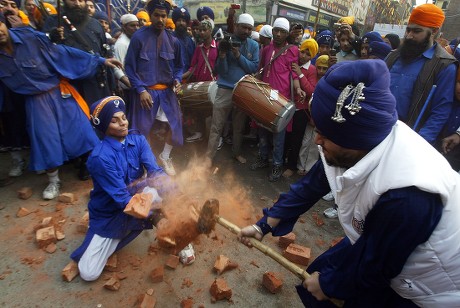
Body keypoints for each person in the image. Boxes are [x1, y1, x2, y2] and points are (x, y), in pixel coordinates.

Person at [239, 59, 460, 307]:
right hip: (385, 240)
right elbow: (309, 187)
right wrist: (263, 226)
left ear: (355, 139)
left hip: (428, 280)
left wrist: (331, 285)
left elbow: (377, 264)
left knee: (337, 291)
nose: (316, 141)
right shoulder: (353, 143)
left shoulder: (409, 195)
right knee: (322, 274)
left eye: (324, 135)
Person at [0, 13, 122, 199]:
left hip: (60, 92)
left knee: (84, 133)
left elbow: (63, 53)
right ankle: (53, 181)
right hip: (35, 100)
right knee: (45, 140)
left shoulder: (30, 37)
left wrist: (101, 60)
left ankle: (105, 173)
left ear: (4, 23)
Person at [69, 96, 170, 281]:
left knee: (160, 189)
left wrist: (176, 192)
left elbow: (155, 171)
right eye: (114, 121)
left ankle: (168, 229)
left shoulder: (138, 140)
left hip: (137, 199)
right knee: (88, 273)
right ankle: (134, 226)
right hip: (110, 211)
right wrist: (155, 217)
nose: (122, 123)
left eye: (123, 117)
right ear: (104, 126)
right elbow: (122, 199)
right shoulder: (100, 158)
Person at [124, 0, 183, 176]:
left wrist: (178, 79)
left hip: (166, 92)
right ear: (150, 15)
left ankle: (165, 156)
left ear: (167, 17)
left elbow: (180, 66)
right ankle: (143, 165)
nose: (160, 19)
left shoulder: (173, 40)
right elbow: (129, 68)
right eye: (156, 15)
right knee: (140, 131)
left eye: (163, 16)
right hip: (145, 92)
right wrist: (141, 90)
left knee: (176, 124)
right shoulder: (138, 38)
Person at [386, 3, 457, 146]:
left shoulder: (444, 65)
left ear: (434, 31)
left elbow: (440, 111)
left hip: (409, 138)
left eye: (417, 31)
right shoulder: (393, 56)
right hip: (379, 129)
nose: (409, 36)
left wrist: (418, 143)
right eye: (408, 30)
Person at [250, 17, 304, 182]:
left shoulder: (293, 50)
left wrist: (298, 88)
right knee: (263, 131)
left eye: (282, 32)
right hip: (265, 96)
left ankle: (277, 165)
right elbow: (260, 70)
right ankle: (262, 158)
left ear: (287, 34)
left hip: (281, 99)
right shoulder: (266, 49)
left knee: (278, 136)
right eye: (276, 31)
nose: (278, 34)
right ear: (272, 31)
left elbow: (294, 73)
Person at [205, 13, 259, 165]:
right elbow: (221, 71)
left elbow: (253, 68)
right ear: (236, 26)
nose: (247, 31)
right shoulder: (226, 41)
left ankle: (236, 153)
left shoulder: (254, 45)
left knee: (239, 127)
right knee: (217, 126)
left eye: (249, 29)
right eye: (243, 27)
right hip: (224, 88)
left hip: (243, 90)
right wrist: (222, 55)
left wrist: (237, 54)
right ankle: (209, 157)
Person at [283, 38, 318, 178]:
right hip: (287, 104)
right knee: (285, 135)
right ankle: (281, 160)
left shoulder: (312, 69)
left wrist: (300, 73)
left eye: (308, 54)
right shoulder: (292, 62)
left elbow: (310, 90)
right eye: (302, 52)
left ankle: (291, 166)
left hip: (301, 110)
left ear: (312, 56)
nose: (303, 56)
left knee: (296, 139)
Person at [182, 19, 218, 143]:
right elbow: (193, 66)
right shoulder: (198, 48)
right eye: (199, 30)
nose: (201, 32)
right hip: (199, 83)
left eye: (204, 30)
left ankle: (216, 138)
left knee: (214, 114)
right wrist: (182, 77)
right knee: (199, 110)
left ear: (210, 31)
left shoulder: (217, 47)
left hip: (213, 85)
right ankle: (199, 133)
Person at [113, 13, 139, 106]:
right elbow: (118, 68)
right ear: (124, 27)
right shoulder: (121, 44)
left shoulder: (133, 40)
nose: (136, 28)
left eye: (137, 25)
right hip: (129, 89)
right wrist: (132, 84)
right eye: (132, 25)